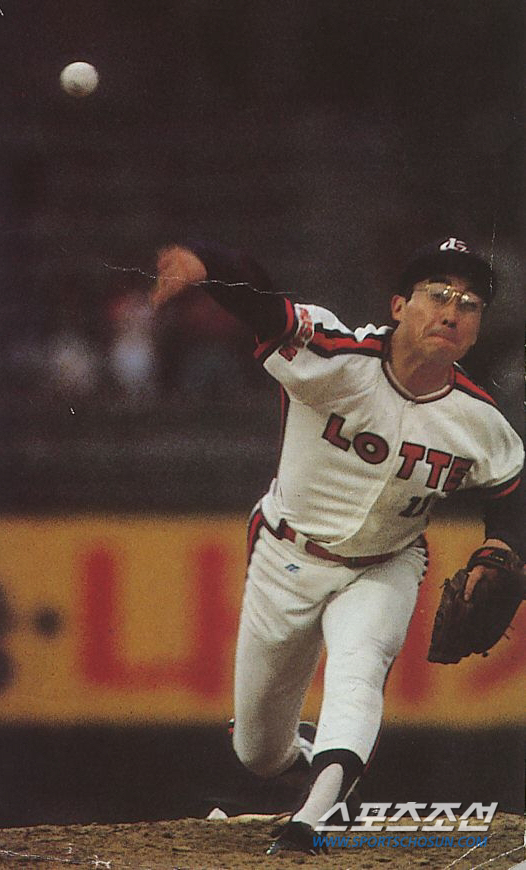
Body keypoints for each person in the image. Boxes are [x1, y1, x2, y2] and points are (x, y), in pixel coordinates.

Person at [151, 237, 524, 855]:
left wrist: (498, 549)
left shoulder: (478, 419)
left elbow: (511, 490)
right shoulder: (335, 355)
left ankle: (315, 814)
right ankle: (302, 761)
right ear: (398, 306)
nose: (453, 311)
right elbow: (267, 306)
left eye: (470, 304)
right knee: (257, 752)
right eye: (438, 295)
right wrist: (209, 264)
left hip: (386, 563)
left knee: (361, 665)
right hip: (287, 556)